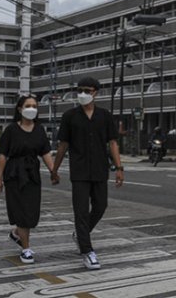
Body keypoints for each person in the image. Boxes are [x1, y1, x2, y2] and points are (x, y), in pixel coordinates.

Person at [52, 76, 124, 271]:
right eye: (80, 90)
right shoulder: (70, 116)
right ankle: (87, 251)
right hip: (80, 171)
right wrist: (55, 169)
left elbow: (113, 143)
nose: (83, 94)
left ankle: (81, 234)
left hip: (100, 169)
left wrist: (119, 168)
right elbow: (63, 145)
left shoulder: (105, 116)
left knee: (101, 206)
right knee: (81, 211)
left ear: (96, 93)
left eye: (87, 91)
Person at [0, 95, 57, 264]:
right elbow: (3, 155)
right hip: (14, 174)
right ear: (20, 109)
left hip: (32, 174)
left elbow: (45, 153)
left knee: (31, 211)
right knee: (21, 211)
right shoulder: (11, 130)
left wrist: (53, 171)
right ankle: (26, 249)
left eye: (34, 106)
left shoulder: (39, 129)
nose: (31, 109)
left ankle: (16, 234)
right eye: (28, 105)